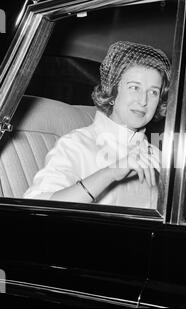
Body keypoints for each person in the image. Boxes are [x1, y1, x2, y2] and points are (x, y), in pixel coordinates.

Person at [23, 41, 171, 208]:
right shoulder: (76, 145)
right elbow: (36, 206)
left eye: (153, 92)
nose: (143, 101)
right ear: (113, 91)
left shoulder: (156, 156)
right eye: (134, 87)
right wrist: (111, 172)